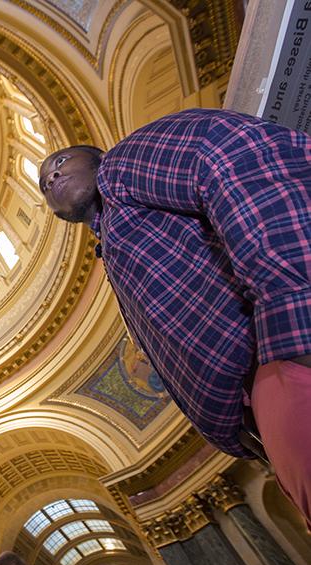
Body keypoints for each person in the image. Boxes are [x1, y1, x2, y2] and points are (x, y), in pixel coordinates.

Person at [38, 108, 311, 525]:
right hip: (270, 408)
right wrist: (247, 434)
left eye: (59, 163)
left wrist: (295, 317)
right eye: (44, 183)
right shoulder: (114, 242)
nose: (52, 178)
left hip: (292, 359)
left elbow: (230, 153)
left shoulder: (122, 166)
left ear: (95, 156)